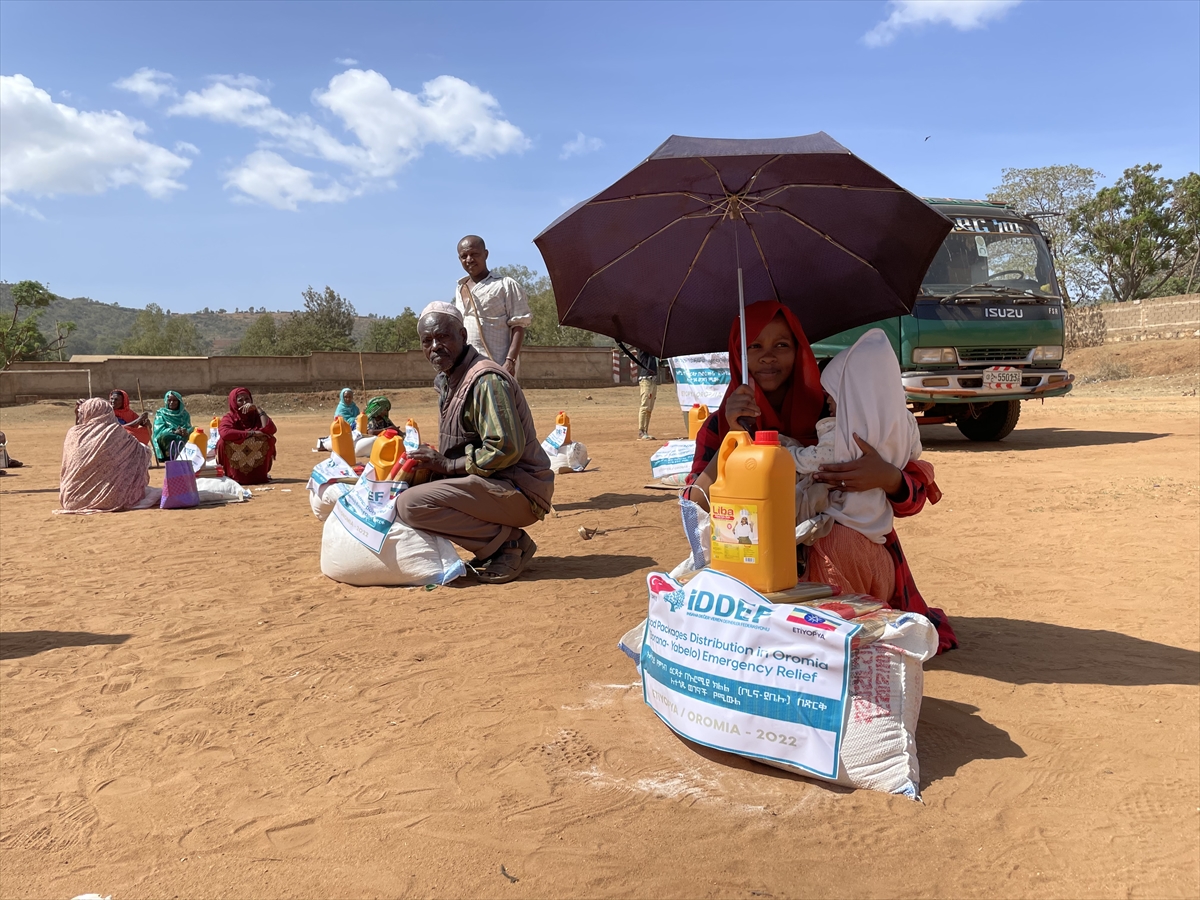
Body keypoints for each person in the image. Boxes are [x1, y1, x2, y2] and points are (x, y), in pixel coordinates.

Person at [687, 300, 956, 653]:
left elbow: (914, 495)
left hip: (846, 555)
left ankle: (841, 644)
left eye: (781, 345)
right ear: (739, 355)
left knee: (835, 542)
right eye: (755, 346)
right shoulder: (723, 424)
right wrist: (730, 438)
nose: (768, 357)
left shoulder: (838, 406)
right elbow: (695, 507)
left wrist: (886, 477)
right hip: (759, 562)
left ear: (799, 351)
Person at [395, 302, 553, 584]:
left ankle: (509, 545)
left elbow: (505, 447)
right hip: (494, 484)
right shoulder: (449, 380)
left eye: (443, 337)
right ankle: (498, 543)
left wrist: (449, 465)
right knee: (409, 486)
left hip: (520, 489)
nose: (435, 346)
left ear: (463, 336)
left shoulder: (485, 381)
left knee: (411, 505)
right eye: (427, 341)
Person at [453, 235, 532, 377]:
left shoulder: (505, 285)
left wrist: (510, 361)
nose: (469, 259)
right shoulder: (460, 288)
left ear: (486, 254)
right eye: (464, 256)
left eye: (474, 254)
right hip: (467, 368)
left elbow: (518, 325)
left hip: (497, 366)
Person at [59, 397, 151, 512]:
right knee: (141, 452)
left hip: (73, 501)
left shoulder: (73, 433)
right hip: (114, 500)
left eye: (82, 413)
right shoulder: (115, 432)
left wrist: (77, 415)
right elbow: (141, 452)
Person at [217, 387, 277, 485]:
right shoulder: (230, 418)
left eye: (247, 399)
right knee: (223, 442)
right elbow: (225, 433)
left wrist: (258, 409)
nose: (245, 403)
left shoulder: (257, 416)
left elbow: (271, 430)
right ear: (234, 402)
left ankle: (259, 476)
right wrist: (251, 433)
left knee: (267, 438)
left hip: (255, 458)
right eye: (240, 400)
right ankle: (233, 475)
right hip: (237, 458)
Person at [150, 391, 193, 462]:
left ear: (179, 402)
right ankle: (167, 456)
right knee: (165, 435)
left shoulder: (184, 414)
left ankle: (185, 454)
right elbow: (159, 431)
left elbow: (187, 426)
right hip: (168, 437)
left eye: (175, 400)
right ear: (166, 401)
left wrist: (185, 431)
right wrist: (174, 431)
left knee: (194, 430)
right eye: (169, 400)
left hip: (181, 437)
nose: (172, 402)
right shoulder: (161, 414)